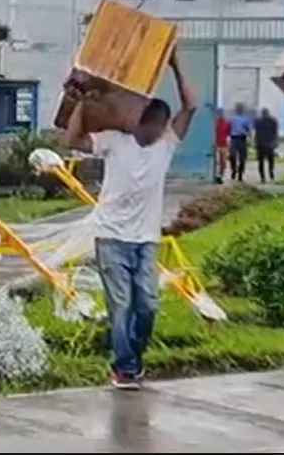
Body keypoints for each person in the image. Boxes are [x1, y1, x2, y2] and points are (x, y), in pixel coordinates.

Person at [61, 46, 196, 391]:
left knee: (147, 305)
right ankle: (125, 368)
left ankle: (133, 357)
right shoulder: (114, 141)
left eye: (157, 127)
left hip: (146, 240)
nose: (149, 132)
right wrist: (80, 101)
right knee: (121, 305)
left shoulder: (166, 145)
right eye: (146, 125)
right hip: (111, 237)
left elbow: (191, 106)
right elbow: (71, 139)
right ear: (140, 121)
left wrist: (176, 63)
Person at [227, 103, 253, 182]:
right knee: (232, 156)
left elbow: (249, 129)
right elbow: (228, 128)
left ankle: (240, 174)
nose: (239, 110)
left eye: (240, 108)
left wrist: (250, 138)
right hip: (234, 138)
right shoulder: (232, 118)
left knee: (242, 157)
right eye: (238, 108)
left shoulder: (246, 119)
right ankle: (234, 170)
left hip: (242, 138)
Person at [254, 108, 279, 183]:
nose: (264, 115)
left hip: (268, 144)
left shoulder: (273, 121)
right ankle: (263, 177)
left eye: (265, 113)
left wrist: (275, 142)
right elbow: (256, 133)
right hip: (262, 144)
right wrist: (255, 142)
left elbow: (275, 132)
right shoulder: (258, 121)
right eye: (263, 114)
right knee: (262, 162)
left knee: (270, 161)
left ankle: (270, 175)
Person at [212, 108, 230, 184]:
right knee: (216, 161)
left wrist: (228, 142)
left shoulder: (227, 123)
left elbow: (229, 133)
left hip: (224, 145)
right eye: (219, 113)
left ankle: (220, 176)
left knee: (224, 162)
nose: (220, 115)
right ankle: (216, 176)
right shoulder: (215, 122)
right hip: (216, 144)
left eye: (221, 113)